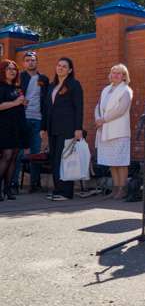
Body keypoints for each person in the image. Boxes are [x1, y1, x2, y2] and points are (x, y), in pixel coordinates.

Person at [41, 57, 84, 201]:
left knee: (64, 159)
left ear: (70, 70)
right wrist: (43, 127)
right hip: (53, 128)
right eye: (58, 65)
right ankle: (58, 190)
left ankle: (66, 192)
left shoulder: (74, 84)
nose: (60, 68)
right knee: (55, 159)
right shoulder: (52, 86)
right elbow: (46, 108)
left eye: (64, 66)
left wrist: (78, 128)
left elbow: (79, 108)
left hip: (68, 128)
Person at [12, 51, 49, 193]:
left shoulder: (43, 79)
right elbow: (13, 91)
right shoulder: (19, 77)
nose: (30, 62)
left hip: (38, 120)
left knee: (36, 153)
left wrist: (45, 123)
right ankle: (14, 183)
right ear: (24, 63)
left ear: (36, 62)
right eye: (27, 60)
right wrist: (21, 97)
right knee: (19, 152)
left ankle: (35, 184)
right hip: (23, 118)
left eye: (33, 60)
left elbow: (46, 100)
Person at [95, 64, 133, 200]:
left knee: (121, 162)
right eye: (113, 73)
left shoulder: (126, 90)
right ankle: (115, 188)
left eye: (119, 73)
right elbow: (98, 107)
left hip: (119, 131)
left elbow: (121, 110)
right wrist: (98, 119)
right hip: (105, 130)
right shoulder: (106, 89)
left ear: (124, 76)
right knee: (112, 162)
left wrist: (103, 119)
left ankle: (123, 189)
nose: (115, 75)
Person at [0, 60, 30, 200]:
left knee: (14, 157)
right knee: (6, 155)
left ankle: (8, 189)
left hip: (18, 125)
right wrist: (15, 103)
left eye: (14, 69)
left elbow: (18, 104)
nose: (12, 71)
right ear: (3, 71)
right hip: (5, 126)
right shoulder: (1, 86)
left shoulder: (17, 87)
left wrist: (23, 103)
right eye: (9, 69)